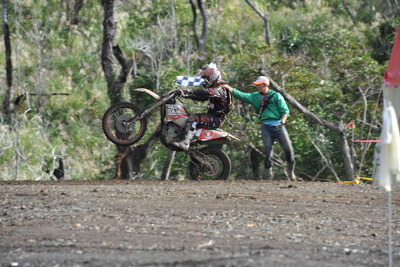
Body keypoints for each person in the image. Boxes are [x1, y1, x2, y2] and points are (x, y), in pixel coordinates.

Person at [231, 76, 296, 181]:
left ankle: (291, 172)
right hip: (266, 126)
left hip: (279, 126)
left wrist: (282, 121)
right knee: (267, 153)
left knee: (288, 150)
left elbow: (285, 111)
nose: (256, 87)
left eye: (258, 85)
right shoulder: (255, 96)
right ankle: (268, 177)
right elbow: (241, 95)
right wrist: (227, 87)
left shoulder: (276, 96)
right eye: (256, 85)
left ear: (265, 85)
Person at [171, 63, 234, 151]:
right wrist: (184, 94)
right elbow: (201, 97)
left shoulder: (221, 89)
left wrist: (186, 91)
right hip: (213, 117)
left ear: (212, 78)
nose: (204, 81)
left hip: (217, 119)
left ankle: (185, 142)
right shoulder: (216, 89)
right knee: (186, 115)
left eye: (206, 79)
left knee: (193, 118)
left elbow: (207, 92)